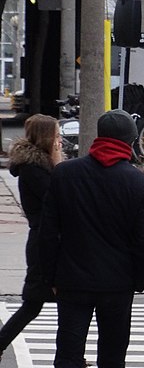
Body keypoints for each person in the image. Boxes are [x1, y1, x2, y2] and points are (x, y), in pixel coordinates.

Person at [39, 109, 144, 368]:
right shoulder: (139, 183)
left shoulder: (65, 174)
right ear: (130, 141)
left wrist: (51, 277)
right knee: (112, 355)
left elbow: (47, 233)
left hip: (72, 280)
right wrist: (136, 281)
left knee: (68, 353)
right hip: (117, 283)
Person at [0, 115, 62, 363]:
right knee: (33, 303)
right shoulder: (34, 170)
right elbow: (57, 199)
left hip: (49, 239)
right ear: (46, 137)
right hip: (44, 242)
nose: (60, 141)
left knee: (51, 303)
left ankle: (71, 355)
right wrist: (58, 164)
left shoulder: (40, 165)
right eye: (57, 136)